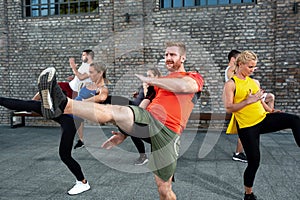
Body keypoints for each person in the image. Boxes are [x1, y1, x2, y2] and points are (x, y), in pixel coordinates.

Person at [37, 41, 204, 200]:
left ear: (183, 58)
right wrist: (125, 132)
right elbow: (143, 106)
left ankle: (62, 103)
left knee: (164, 189)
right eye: (166, 54)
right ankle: (62, 103)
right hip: (149, 120)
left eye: (172, 54)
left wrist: (152, 80)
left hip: (169, 133)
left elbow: (184, 87)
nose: (168, 58)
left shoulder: (193, 77)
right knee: (115, 110)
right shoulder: (158, 86)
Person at [0, 62, 109, 195]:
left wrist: (81, 103)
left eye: (92, 72)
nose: (89, 75)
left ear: (100, 73)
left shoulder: (102, 88)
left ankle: (83, 182)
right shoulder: (87, 85)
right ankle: (47, 93)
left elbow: (102, 97)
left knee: (64, 155)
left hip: (71, 117)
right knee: (30, 104)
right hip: (63, 110)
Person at [223, 50, 300, 200]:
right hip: (247, 126)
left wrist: (271, 110)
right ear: (240, 64)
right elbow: (229, 107)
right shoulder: (231, 84)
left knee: (294, 120)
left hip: (262, 118)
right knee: (254, 161)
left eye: (254, 67)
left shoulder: (254, 82)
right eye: (250, 67)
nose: (253, 70)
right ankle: (248, 194)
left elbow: (259, 100)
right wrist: (247, 101)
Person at [113, 67, 162, 166]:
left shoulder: (156, 88)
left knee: (146, 136)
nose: (147, 78)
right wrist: (138, 94)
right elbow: (142, 97)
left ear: (156, 76)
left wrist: (145, 88)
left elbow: (150, 99)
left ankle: (157, 151)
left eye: (149, 76)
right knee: (131, 131)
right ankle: (144, 156)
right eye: (146, 76)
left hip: (147, 116)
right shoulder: (144, 86)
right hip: (138, 113)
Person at [68, 49, 95, 149]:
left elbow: (81, 77)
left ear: (88, 56)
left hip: (85, 91)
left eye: (83, 55)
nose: (81, 57)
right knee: (77, 115)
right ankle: (81, 139)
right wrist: (73, 76)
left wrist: (73, 67)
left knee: (75, 113)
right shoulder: (84, 65)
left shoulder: (92, 66)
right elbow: (78, 77)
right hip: (76, 89)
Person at [225, 50, 247, 163]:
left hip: (240, 103)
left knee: (244, 129)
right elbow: (235, 81)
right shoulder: (230, 70)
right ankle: (238, 153)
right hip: (237, 104)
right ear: (233, 59)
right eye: (239, 59)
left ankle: (239, 152)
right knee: (243, 129)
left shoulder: (234, 70)